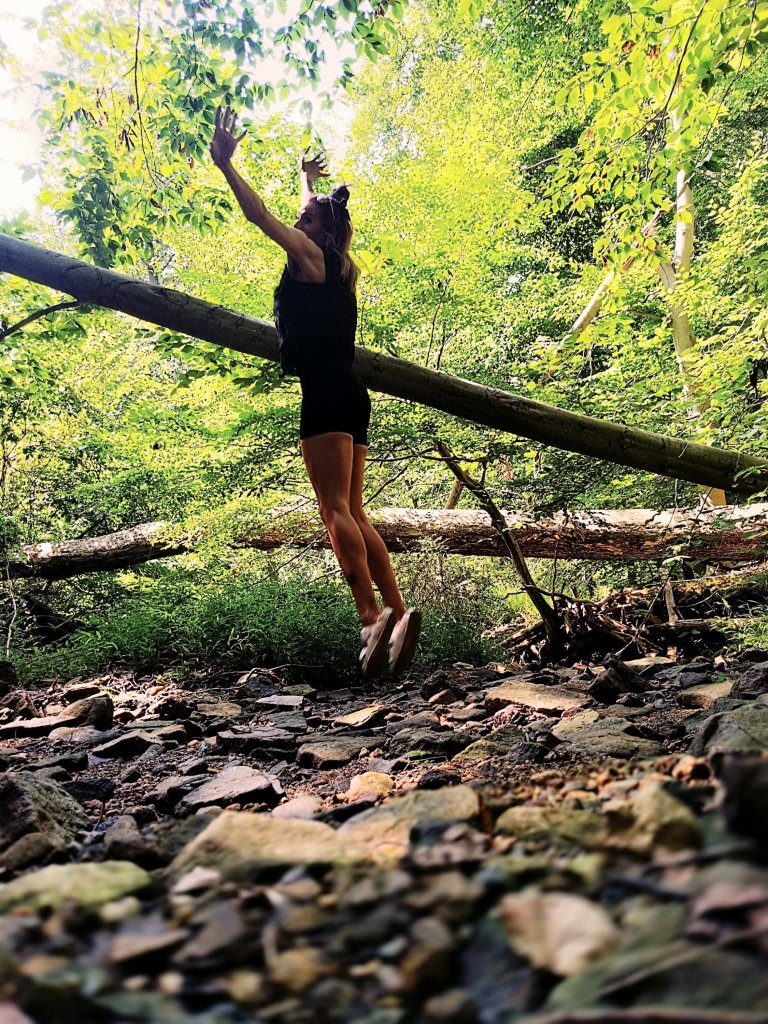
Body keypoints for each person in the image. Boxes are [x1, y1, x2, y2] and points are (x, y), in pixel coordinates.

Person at [210, 105, 421, 677]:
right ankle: (398, 612)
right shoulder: (338, 262)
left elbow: (259, 216)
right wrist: (307, 179)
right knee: (354, 509)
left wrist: (227, 167)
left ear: (318, 230)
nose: (295, 219)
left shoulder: (307, 253)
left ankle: (370, 618)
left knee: (333, 510)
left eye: (303, 216)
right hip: (351, 391)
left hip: (324, 390)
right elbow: (314, 213)